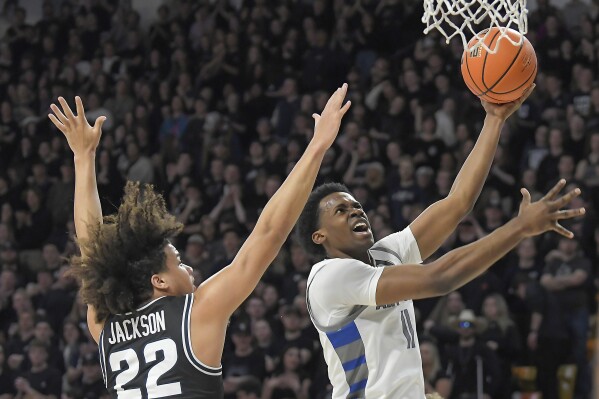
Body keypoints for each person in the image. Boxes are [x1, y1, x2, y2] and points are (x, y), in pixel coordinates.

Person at [47, 85, 351, 398]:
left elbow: (92, 250)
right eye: (178, 261)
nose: (189, 268)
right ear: (159, 281)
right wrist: (317, 147)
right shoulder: (196, 313)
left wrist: (83, 156)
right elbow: (269, 232)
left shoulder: (105, 328)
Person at [297, 85, 586, 398]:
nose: (356, 212)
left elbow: (458, 202)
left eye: (357, 206)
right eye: (342, 210)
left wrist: (494, 119)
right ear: (319, 236)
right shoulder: (328, 277)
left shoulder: (385, 254)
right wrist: (518, 228)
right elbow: (440, 278)